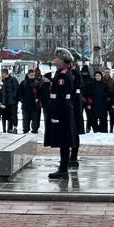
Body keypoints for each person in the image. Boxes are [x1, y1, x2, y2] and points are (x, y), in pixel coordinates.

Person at [44, 48, 77, 180]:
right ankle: (63, 168)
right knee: (64, 140)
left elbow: (61, 97)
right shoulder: (61, 73)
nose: (54, 59)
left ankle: (63, 169)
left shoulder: (62, 75)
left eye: (57, 58)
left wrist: (55, 115)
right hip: (62, 110)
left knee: (64, 140)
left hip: (61, 111)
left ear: (62, 61)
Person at [20, 68, 41, 134]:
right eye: (31, 75)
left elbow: (40, 93)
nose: (32, 76)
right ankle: (25, 129)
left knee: (35, 118)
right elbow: (20, 93)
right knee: (25, 119)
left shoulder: (37, 83)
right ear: (28, 75)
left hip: (34, 105)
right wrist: (22, 100)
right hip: (25, 104)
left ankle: (34, 129)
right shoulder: (23, 83)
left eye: (33, 75)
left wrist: (38, 98)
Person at [1, 68, 20, 133]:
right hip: (6, 101)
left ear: (5, 73)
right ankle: (9, 128)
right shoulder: (3, 81)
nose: (1, 75)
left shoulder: (13, 80)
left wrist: (13, 97)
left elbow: (16, 89)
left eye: (2, 74)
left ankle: (15, 127)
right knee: (8, 115)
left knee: (14, 114)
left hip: (13, 101)